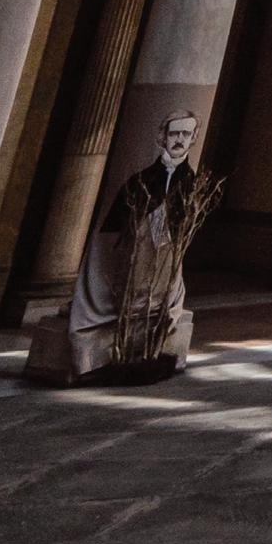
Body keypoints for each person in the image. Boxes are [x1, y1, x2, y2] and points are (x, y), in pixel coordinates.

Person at [59, 111, 212, 379]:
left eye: (186, 134)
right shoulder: (140, 179)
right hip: (131, 259)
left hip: (162, 263)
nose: (179, 139)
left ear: (193, 138)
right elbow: (113, 229)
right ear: (162, 137)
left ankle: (143, 347)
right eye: (174, 133)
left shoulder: (191, 182)